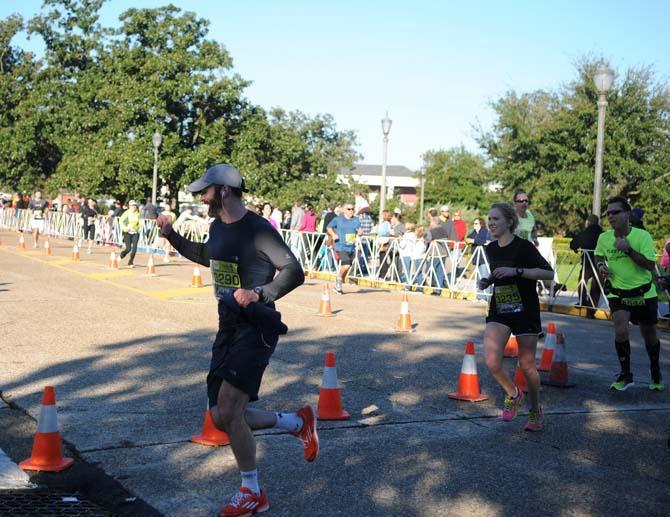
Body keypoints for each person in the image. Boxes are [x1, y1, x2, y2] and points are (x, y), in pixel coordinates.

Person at [155, 163, 316, 516]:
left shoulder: (258, 229)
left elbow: (294, 271)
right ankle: (296, 423)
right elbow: (207, 256)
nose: (202, 196)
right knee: (220, 416)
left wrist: (260, 293)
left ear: (224, 190)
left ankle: (252, 492)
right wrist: (171, 236)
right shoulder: (216, 226)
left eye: (206, 190)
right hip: (227, 324)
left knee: (229, 409)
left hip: (255, 326)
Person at [478, 202, 554, 431]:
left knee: (528, 365)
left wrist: (518, 271)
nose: (491, 223)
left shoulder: (524, 247)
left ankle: (535, 410)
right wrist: (488, 280)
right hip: (500, 308)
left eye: (496, 219)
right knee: (491, 361)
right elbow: (498, 273)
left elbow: (548, 272)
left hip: (525, 310)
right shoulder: (490, 248)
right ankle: (513, 393)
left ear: (509, 221)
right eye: (489, 219)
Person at [595, 196, 664, 391]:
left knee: (649, 334)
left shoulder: (642, 236)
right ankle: (626, 375)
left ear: (627, 214)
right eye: (608, 213)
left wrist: (628, 250)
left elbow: (651, 265)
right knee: (620, 330)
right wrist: (601, 265)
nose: (611, 216)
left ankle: (655, 370)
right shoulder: (604, 237)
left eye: (615, 212)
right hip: (619, 293)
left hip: (644, 293)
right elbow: (599, 254)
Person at [569, 215, 603, 317]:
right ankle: (591, 310)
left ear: (588, 222)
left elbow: (573, 244)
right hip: (600, 264)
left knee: (582, 281)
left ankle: (582, 301)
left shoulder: (584, 234)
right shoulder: (603, 234)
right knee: (596, 288)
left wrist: (576, 248)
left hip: (587, 264)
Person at [327, 202, 363, 294]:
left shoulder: (356, 220)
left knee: (348, 266)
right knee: (346, 264)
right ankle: (338, 280)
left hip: (351, 247)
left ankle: (340, 280)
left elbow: (359, 230)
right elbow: (329, 227)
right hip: (340, 246)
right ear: (343, 210)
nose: (351, 211)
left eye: (352, 209)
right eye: (349, 209)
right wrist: (334, 234)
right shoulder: (338, 219)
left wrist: (360, 232)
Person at [466, 217, 491, 300]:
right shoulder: (474, 232)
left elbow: (484, 241)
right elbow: (467, 239)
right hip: (477, 258)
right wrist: (473, 240)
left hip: (484, 258)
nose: (474, 225)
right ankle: (479, 297)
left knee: (484, 278)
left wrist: (473, 241)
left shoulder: (485, 231)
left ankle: (485, 298)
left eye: (476, 223)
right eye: (474, 223)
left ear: (481, 224)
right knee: (479, 278)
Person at [398, 223, 426, 288]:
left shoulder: (406, 235)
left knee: (407, 270)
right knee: (411, 270)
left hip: (406, 253)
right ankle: (411, 283)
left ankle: (408, 284)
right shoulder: (413, 235)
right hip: (412, 254)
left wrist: (400, 240)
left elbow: (402, 245)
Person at [119, 200, 141, 268]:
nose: (133, 207)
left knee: (134, 249)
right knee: (128, 249)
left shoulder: (138, 213)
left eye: (134, 205)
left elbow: (139, 223)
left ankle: (131, 262)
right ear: (129, 206)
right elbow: (121, 221)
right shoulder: (126, 213)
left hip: (135, 233)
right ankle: (121, 256)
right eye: (132, 205)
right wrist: (125, 228)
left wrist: (138, 227)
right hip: (127, 233)